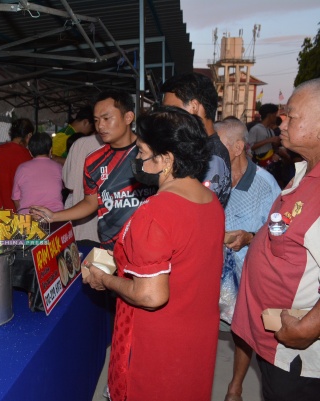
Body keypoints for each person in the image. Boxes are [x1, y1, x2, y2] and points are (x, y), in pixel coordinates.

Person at [84, 106, 225, 401]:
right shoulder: (209, 200)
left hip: (157, 343)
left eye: (142, 152)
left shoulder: (156, 212)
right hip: (196, 334)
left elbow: (151, 296)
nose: (136, 160)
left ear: (167, 160)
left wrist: (105, 279)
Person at [230, 78, 320, 401]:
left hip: (295, 357)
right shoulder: (303, 173)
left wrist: (307, 329)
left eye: (291, 115)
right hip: (273, 342)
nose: (280, 120)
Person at [31, 90, 155, 250]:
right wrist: (54, 216)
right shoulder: (93, 160)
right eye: (96, 120)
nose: (100, 126)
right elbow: (90, 202)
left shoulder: (152, 153)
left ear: (128, 117)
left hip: (149, 247)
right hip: (112, 251)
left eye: (106, 118)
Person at [216, 117, 281, 324]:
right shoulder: (212, 179)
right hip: (213, 278)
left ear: (237, 148)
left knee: (243, 335)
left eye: (218, 146)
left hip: (249, 282)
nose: (212, 152)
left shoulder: (265, 185)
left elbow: (279, 232)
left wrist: (250, 238)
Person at [161, 72, 232, 207]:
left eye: (171, 110)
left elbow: (192, 208)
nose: (167, 117)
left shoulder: (213, 156)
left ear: (194, 106)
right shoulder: (199, 148)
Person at [62, 128, 104, 243]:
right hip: (110, 230)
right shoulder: (125, 145)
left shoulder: (80, 144)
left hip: (82, 224)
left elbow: (68, 183)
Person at [12, 132, 63, 213]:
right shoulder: (59, 168)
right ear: (50, 150)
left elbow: (15, 198)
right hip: (55, 218)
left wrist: (23, 213)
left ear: (30, 152)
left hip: (28, 219)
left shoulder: (22, 168)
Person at [247, 103, 281, 167]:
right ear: (269, 115)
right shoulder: (256, 129)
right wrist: (268, 140)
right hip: (259, 163)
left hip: (269, 162)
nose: (276, 117)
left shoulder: (270, 130)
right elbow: (250, 147)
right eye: (275, 114)